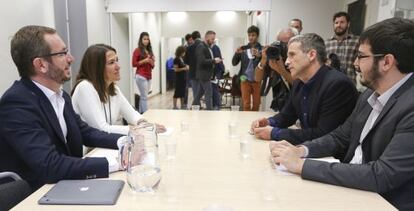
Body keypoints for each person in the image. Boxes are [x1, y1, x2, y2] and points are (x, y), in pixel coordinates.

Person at [269, 18, 414, 210]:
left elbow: (383, 175)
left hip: (383, 202)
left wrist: (302, 166)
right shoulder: (370, 95)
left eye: (361, 57)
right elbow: (341, 136)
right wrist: (301, 151)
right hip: (354, 189)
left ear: (386, 62)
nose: (355, 63)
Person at [0, 26, 125, 191]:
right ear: (41, 65)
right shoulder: (17, 103)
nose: (71, 58)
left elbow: (86, 133)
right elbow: (50, 165)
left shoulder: (60, 96)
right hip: (34, 195)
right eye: (62, 54)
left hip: (66, 186)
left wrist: (127, 142)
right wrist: (118, 162)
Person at [252, 33, 358, 145]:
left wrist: (275, 133)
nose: (287, 62)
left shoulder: (338, 85)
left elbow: (324, 134)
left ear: (311, 55)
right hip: (313, 150)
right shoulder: (299, 82)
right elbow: (287, 115)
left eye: (292, 55)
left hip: (334, 157)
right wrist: (269, 122)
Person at [71, 44, 165, 135]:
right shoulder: (84, 87)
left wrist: (144, 124)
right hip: (89, 150)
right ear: (97, 68)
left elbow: (132, 114)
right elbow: (101, 129)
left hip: (104, 146)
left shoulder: (114, 89)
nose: (118, 66)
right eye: (111, 62)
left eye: (117, 60)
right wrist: (136, 129)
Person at [257, 27, 297, 111]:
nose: (283, 46)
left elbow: (299, 84)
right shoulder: (274, 57)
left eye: (286, 43)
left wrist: (281, 70)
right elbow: (257, 78)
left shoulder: (300, 58)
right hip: (281, 104)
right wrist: (263, 60)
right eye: (280, 43)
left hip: (297, 105)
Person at [232, 25, 263, 111]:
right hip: (244, 78)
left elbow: (265, 64)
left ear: (257, 36)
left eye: (253, 35)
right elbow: (234, 63)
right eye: (249, 35)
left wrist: (259, 56)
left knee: (257, 103)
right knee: (246, 103)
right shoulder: (243, 49)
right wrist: (237, 53)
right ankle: (246, 121)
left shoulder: (262, 49)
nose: (251, 37)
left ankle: (253, 120)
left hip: (257, 79)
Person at [325, 11, 359, 84]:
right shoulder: (326, 43)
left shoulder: (356, 41)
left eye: (342, 22)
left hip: (349, 84)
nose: (338, 25)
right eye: (336, 23)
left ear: (348, 24)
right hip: (330, 83)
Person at [192, 30, 222, 110]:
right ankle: (210, 112)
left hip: (206, 75)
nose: (213, 41)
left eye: (214, 39)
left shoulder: (207, 47)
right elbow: (201, 61)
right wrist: (214, 60)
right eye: (212, 39)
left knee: (199, 94)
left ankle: (192, 108)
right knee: (209, 95)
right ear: (206, 37)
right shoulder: (201, 46)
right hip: (204, 75)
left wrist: (215, 60)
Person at [132, 32, 155, 113]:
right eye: (144, 39)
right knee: (144, 97)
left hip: (149, 76)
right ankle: (146, 114)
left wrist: (152, 61)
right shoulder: (137, 50)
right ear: (141, 40)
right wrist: (145, 60)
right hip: (141, 75)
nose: (146, 41)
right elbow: (134, 64)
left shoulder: (150, 51)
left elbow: (152, 66)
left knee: (143, 96)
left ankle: (140, 113)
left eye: (147, 39)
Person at [211, 41, 225, 110]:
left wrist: (216, 75)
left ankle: (217, 105)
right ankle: (216, 105)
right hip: (216, 72)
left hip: (217, 72)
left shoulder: (215, 48)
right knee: (214, 88)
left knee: (214, 88)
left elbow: (217, 61)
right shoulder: (214, 47)